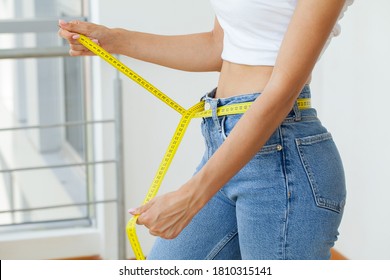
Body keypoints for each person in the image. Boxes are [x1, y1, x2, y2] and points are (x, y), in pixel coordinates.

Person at [59, 0, 353, 259]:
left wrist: (192, 195)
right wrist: (113, 39)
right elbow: (218, 47)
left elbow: (281, 93)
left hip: (282, 159)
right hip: (224, 142)